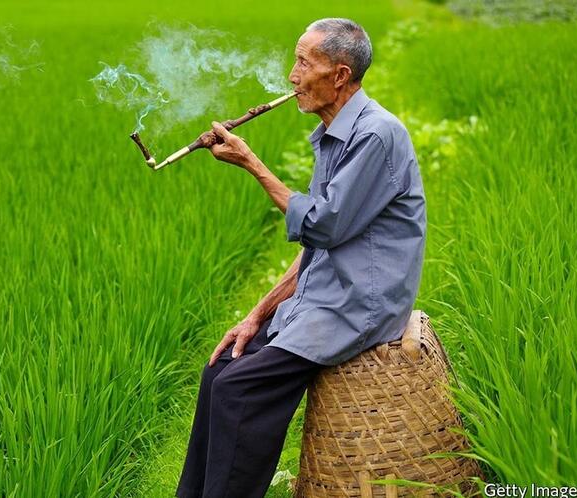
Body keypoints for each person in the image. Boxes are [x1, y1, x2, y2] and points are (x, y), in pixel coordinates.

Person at [175, 18, 427, 498]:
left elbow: (324, 225)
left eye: (303, 62)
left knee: (239, 390)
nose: (292, 76)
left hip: (359, 304)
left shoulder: (375, 136)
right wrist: (256, 314)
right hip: (325, 293)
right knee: (219, 369)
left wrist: (252, 164)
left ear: (339, 75)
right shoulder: (334, 133)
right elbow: (319, 248)